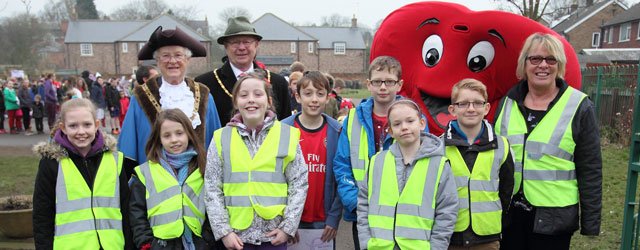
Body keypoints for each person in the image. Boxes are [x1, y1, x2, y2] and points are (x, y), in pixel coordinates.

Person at [494, 33, 602, 249]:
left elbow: (590, 167)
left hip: (554, 219)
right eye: (535, 59)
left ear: (559, 65)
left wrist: (590, 222)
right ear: (524, 64)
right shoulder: (507, 103)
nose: (543, 65)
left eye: (550, 59)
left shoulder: (579, 105)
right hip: (509, 215)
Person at [204, 72, 308, 249]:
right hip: (235, 238)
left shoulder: (287, 135)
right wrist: (223, 232)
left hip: (273, 236)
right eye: (244, 95)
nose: (251, 99)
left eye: (258, 94)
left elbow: (299, 183)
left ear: (268, 101)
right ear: (236, 102)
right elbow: (212, 187)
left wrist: (288, 227)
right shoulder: (221, 138)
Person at [333, 55, 426, 249]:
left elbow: (425, 165)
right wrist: (355, 203)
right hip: (363, 213)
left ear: (399, 84)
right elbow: (342, 164)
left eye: (389, 82)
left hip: (403, 214)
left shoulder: (413, 119)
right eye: (377, 81)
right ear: (369, 84)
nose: (383, 87)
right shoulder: (352, 119)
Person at [119, 26, 222, 179]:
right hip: (155, 182)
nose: (172, 61)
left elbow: (216, 143)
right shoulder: (141, 97)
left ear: (187, 60)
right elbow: (128, 148)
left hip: (198, 181)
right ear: (157, 61)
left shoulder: (204, 95)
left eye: (178, 55)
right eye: (165, 56)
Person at [357, 99, 458, 249]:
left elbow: (447, 211)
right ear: (390, 131)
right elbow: (363, 204)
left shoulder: (439, 164)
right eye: (397, 124)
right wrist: (366, 242)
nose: (404, 127)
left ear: (422, 123)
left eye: (410, 121)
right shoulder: (377, 162)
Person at [32, 98, 132, 249]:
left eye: (87, 125)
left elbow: (126, 208)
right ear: (63, 128)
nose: (81, 132)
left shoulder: (114, 160)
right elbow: (42, 214)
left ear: (96, 125)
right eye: (73, 126)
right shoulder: (52, 163)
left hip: (113, 245)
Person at [444, 79, 514, 250]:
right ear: (452, 110)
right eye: (463, 104)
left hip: (487, 237)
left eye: (477, 103)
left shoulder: (502, 146)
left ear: (487, 108)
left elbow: (507, 189)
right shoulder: (438, 147)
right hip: (450, 235)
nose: (471, 108)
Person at [129, 109, 215, 249]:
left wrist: (208, 237)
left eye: (179, 133)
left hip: (197, 243)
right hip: (161, 245)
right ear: (159, 139)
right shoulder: (145, 172)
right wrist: (147, 243)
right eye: (167, 136)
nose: (174, 140)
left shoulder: (203, 167)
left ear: (189, 134)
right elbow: (137, 212)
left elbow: (213, 203)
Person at [281, 71, 342, 248]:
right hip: (292, 219)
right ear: (298, 97)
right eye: (308, 94)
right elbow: (276, 178)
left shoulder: (336, 131)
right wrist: (287, 221)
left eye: (320, 94)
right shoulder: (283, 129)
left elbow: (341, 178)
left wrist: (334, 217)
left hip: (324, 222)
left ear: (328, 97)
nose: (314, 99)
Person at [195, 16, 291, 125]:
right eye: (235, 42)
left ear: (256, 45)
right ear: (226, 47)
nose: (241, 47)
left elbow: (285, 126)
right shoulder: (205, 84)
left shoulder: (278, 82)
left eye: (246, 42)